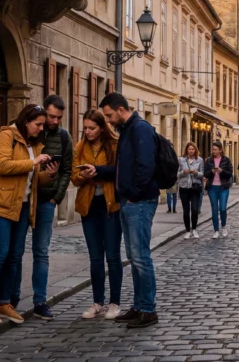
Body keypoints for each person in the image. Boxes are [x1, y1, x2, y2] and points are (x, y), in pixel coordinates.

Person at [79, 93, 160, 327]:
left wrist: (133, 195)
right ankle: (138, 306)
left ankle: (148, 310)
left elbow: (145, 167)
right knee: (134, 258)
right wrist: (99, 171)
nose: (108, 120)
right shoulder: (128, 130)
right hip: (129, 201)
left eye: (109, 115)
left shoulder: (140, 129)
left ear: (121, 110)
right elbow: (121, 168)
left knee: (141, 257)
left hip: (139, 202)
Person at [0, 104, 53, 325]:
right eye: (37, 124)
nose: (40, 128)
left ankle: (3, 302)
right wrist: (33, 162)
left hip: (22, 205)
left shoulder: (34, 144)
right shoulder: (7, 135)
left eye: (42, 125)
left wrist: (48, 174)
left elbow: (32, 178)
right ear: (25, 122)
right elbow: (2, 166)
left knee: (15, 256)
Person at [8, 95, 72, 320]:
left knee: (41, 252)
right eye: (51, 117)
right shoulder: (30, 132)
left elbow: (67, 170)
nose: (55, 121)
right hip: (25, 200)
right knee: (15, 252)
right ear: (44, 113)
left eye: (59, 118)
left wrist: (57, 197)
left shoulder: (64, 137)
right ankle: (11, 300)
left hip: (46, 201)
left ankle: (40, 301)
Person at [71, 109, 122, 320]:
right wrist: (83, 175)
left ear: (102, 128)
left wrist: (100, 172)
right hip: (89, 205)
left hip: (110, 205)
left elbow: (121, 171)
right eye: (85, 128)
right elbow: (73, 177)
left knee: (112, 255)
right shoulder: (80, 146)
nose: (88, 132)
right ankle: (97, 302)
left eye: (92, 128)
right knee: (95, 257)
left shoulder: (114, 145)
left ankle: (114, 303)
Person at [203, 141, 234, 239]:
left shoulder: (226, 160)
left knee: (223, 208)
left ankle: (224, 226)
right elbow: (205, 174)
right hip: (212, 187)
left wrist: (221, 171)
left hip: (223, 187)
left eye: (215, 150)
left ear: (220, 150)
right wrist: (212, 171)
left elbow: (229, 174)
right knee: (214, 210)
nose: (213, 151)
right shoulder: (209, 161)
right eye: (212, 149)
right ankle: (216, 230)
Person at [178, 142, 204, 239]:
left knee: (194, 209)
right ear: (186, 150)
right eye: (189, 149)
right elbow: (177, 174)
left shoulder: (200, 160)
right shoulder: (181, 160)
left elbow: (202, 174)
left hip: (195, 187)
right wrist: (183, 172)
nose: (191, 151)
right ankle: (187, 231)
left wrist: (196, 173)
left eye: (193, 149)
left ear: (195, 150)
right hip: (184, 187)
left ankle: (194, 229)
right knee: (186, 211)